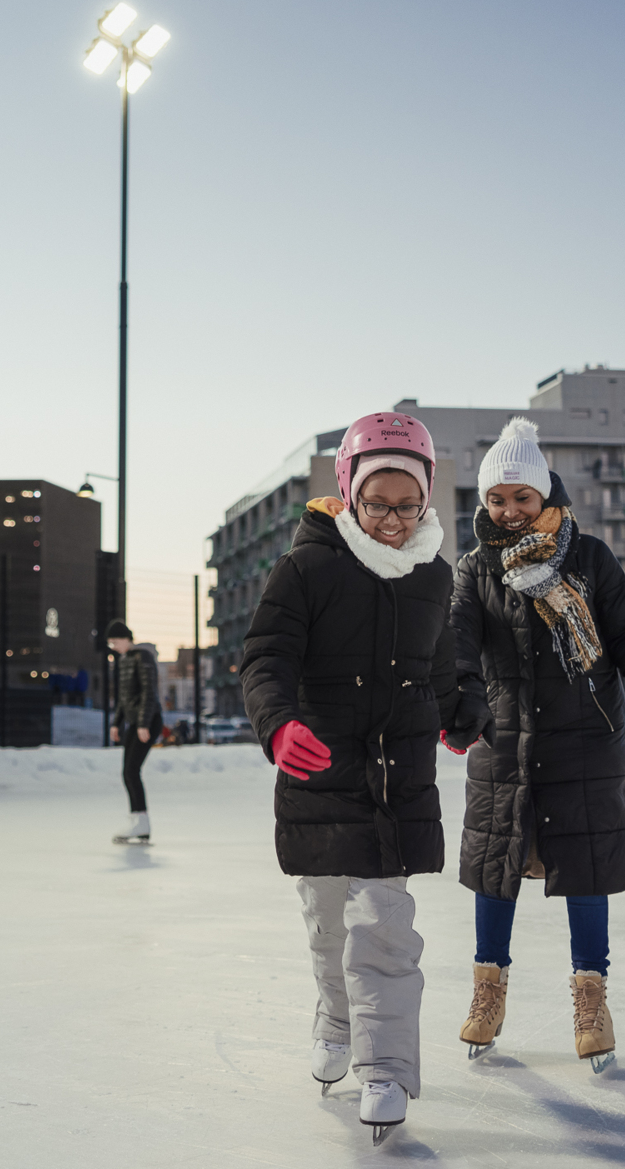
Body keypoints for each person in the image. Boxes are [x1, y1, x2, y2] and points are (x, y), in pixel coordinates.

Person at [450, 417, 625, 1075]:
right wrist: (460, 702)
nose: (509, 511)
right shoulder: (476, 568)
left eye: (521, 498)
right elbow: (456, 646)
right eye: (496, 500)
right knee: (494, 871)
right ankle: (487, 992)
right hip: (504, 740)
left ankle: (592, 1002)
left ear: (545, 497)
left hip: (588, 739)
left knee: (588, 872)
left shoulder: (589, 561)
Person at [241, 411, 463, 1142]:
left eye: (409, 504)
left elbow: (440, 666)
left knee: (385, 932)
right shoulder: (307, 567)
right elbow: (266, 658)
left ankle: (387, 1069)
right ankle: (335, 1018)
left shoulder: (435, 574)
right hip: (320, 770)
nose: (395, 520)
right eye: (378, 503)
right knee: (329, 927)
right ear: (350, 495)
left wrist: (463, 716)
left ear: (426, 498)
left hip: (397, 782)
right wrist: (278, 725)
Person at [107, 621, 160, 843]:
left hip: (147, 722)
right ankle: (139, 822)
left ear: (126, 638)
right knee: (128, 772)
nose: (113, 646)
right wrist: (116, 723)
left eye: (114, 641)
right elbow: (123, 697)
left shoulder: (143, 656)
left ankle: (141, 823)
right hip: (133, 723)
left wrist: (143, 724)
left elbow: (149, 691)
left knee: (131, 770)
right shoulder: (123, 660)